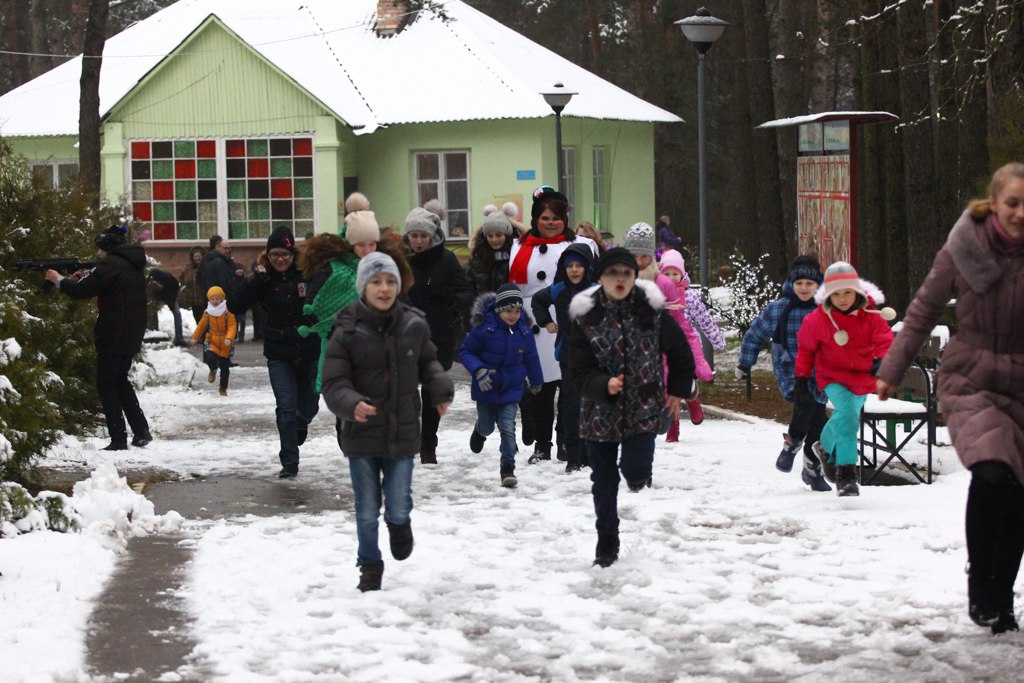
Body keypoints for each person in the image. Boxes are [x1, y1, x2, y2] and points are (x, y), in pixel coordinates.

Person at [876, 162, 1024, 634]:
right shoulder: (964, 249)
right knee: (993, 470)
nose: (1021, 214)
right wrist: (891, 369)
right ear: (994, 204)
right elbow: (921, 310)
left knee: (1020, 495)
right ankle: (982, 581)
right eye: (1013, 203)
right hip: (973, 377)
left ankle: (1001, 598)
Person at [321, 253, 454, 592]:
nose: (384, 289)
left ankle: (399, 523)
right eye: (376, 282)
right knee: (366, 509)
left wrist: (440, 389)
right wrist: (351, 404)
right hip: (361, 434)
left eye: (390, 281)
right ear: (363, 287)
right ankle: (369, 564)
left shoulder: (413, 324)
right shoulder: (346, 329)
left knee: (397, 502)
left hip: (402, 430)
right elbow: (334, 383)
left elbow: (430, 364)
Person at [568, 247, 696, 568]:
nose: (620, 279)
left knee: (636, 472)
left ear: (635, 277)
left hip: (643, 407)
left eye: (626, 273)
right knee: (604, 480)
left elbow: (680, 351)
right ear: (600, 279)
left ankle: (637, 476)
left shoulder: (651, 311)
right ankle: (607, 540)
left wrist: (678, 390)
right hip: (600, 412)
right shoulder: (586, 316)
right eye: (613, 274)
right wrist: (603, 384)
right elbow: (576, 367)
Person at [509, 186, 597, 463]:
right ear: (535, 218)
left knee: (570, 391)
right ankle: (542, 443)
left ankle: (566, 441)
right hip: (535, 324)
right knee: (540, 390)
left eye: (556, 218)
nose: (550, 223)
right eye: (545, 218)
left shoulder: (582, 245)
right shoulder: (519, 246)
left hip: (570, 325)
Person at [44, 225, 151, 450]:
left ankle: (118, 439)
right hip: (131, 333)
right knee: (120, 380)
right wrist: (78, 279)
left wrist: (58, 280)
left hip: (114, 333)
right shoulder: (130, 264)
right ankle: (141, 431)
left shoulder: (110, 264)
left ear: (107, 247)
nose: (97, 254)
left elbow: (82, 292)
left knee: (106, 384)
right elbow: (98, 285)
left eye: (100, 249)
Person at [795, 261, 895, 497]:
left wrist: (882, 359)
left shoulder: (870, 315)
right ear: (828, 295)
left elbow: (884, 339)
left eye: (847, 293)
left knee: (847, 417)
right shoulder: (816, 320)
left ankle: (823, 447)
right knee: (849, 416)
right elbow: (806, 350)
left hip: (863, 377)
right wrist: (801, 379)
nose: (842, 299)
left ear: (857, 291)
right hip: (832, 375)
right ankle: (847, 475)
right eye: (836, 294)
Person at [230, 225, 319, 478]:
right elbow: (235, 304)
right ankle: (290, 461)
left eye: (285, 254)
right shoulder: (263, 279)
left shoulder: (307, 274)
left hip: (309, 348)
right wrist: (253, 282)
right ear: (267, 256)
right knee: (285, 407)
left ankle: (302, 423)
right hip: (279, 352)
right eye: (274, 255)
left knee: (310, 404)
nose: (280, 259)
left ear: (293, 254)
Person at [736, 256, 831, 492]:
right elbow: (754, 334)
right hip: (789, 367)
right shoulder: (778, 309)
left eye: (809, 284)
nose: (804, 288)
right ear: (792, 283)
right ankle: (793, 443)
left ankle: (812, 470)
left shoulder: (825, 309)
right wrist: (745, 364)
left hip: (819, 371)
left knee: (819, 420)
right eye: (799, 283)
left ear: (818, 284)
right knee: (805, 405)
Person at [403, 199, 473, 464]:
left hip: (437, 333)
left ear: (432, 236)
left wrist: (453, 302)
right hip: (405, 333)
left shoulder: (446, 259)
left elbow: (463, 290)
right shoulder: (400, 258)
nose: (418, 241)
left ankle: (428, 442)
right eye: (414, 236)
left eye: (423, 236)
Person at [622, 222, 711, 426]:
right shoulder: (619, 280)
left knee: (659, 423)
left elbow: (681, 328)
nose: (639, 260)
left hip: (661, 358)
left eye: (643, 255)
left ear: (651, 256)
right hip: (630, 359)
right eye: (634, 255)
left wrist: (697, 361)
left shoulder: (664, 284)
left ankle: (687, 389)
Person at [461, 284, 543, 488]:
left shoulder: (524, 331)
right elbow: (466, 352)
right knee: (488, 426)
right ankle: (480, 430)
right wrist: (478, 370)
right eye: (508, 310)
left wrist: (537, 380)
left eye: (517, 311)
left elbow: (531, 358)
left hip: (511, 388)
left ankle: (508, 469)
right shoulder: (484, 329)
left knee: (508, 427)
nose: (513, 315)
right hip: (486, 387)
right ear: (498, 309)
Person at [530, 242, 596, 472]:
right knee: (571, 405)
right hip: (568, 356)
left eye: (579, 265)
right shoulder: (558, 289)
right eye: (570, 266)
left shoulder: (598, 290)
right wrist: (546, 322)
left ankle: (590, 453)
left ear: (587, 267)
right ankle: (574, 456)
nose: (575, 270)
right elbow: (537, 301)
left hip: (595, 359)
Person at [659, 249, 725, 442]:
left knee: (685, 384)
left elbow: (704, 320)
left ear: (682, 273)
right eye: (667, 274)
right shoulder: (656, 295)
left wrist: (717, 339)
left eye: (675, 273)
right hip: (663, 347)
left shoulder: (690, 296)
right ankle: (673, 427)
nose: (671, 278)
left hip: (686, 347)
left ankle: (693, 398)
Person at [191, 285, 237, 396]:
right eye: (212, 299)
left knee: (225, 367)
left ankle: (223, 388)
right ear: (209, 300)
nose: (215, 301)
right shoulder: (208, 312)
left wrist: (229, 338)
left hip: (225, 342)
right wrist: (195, 337)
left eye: (217, 299)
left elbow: (232, 326)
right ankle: (213, 369)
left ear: (222, 299)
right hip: (212, 339)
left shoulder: (227, 311)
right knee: (209, 357)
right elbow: (201, 325)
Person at [466, 203, 518, 295]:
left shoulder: (516, 257)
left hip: (510, 308)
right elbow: (468, 290)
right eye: (490, 236)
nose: (494, 239)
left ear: (507, 235)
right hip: (483, 307)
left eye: (498, 235)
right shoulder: (477, 260)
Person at [146, 267, 185, 346]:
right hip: (157, 296)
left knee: (177, 314)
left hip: (170, 296)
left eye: (157, 282)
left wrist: (171, 302)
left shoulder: (168, 279)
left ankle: (179, 338)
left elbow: (175, 289)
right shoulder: (150, 279)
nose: (155, 283)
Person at [199, 235, 235, 304]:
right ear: (218, 247)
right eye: (226, 248)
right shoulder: (220, 261)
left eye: (229, 248)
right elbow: (225, 281)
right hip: (221, 299)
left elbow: (199, 277)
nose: (228, 251)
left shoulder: (206, 259)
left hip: (210, 297)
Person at [178, 246, 206, 324]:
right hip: (193, 299)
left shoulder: (207, 266)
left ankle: (206, 334)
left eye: (199, 256)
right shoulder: (188, 268)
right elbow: (182, 280)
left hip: (204, 298)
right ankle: (201, 334)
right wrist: (183, 288)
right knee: (197, 317)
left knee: (205, 318)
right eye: (195, 256)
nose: (197, 258)